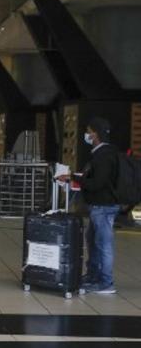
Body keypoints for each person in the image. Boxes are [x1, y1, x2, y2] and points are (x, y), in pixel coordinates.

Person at [59, 117, 120, 294]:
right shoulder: (103, 153)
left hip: (103, 205)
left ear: (96, 134)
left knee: (103, 244)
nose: (86, 134)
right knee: (93, 241)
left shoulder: (104, 155)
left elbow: (97, 182)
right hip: (99, 206)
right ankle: (93, 275)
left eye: (89, 131)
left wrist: (75, 178)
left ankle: (106, 283)